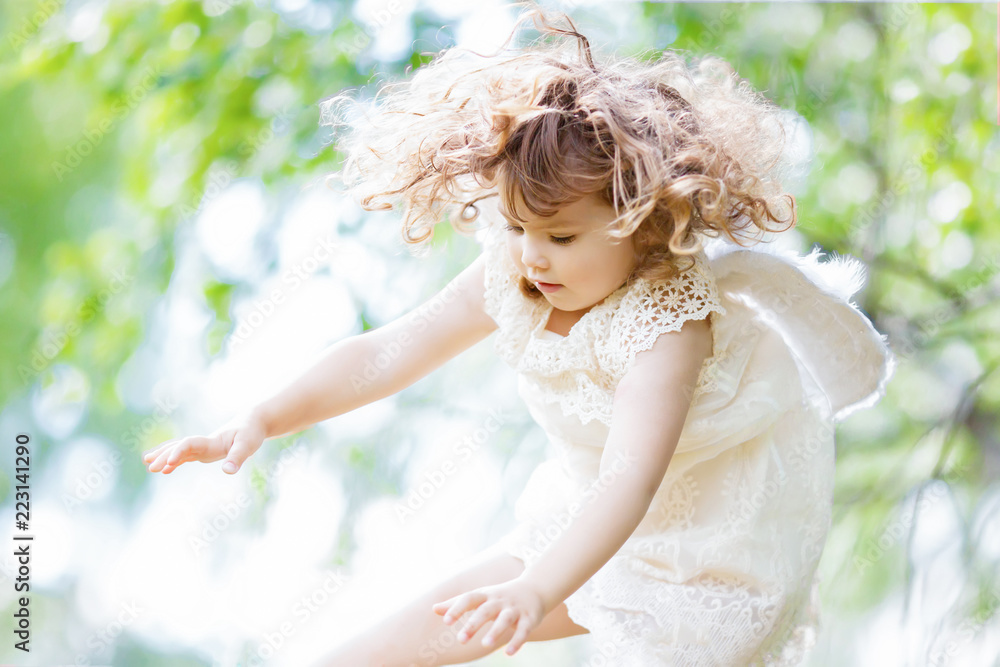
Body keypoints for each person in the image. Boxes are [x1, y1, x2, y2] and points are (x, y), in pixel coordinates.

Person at [142, 9, 895, 666]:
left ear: (643, 222)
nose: (533, 256)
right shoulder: (517, 271)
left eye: (561, 236)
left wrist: (536, 590)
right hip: (581, 522)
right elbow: (388, 352)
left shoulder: (667, 326)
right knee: (377, 650)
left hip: (702, 556)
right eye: (517, 226)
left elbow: (629, 482)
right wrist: (266, 415)